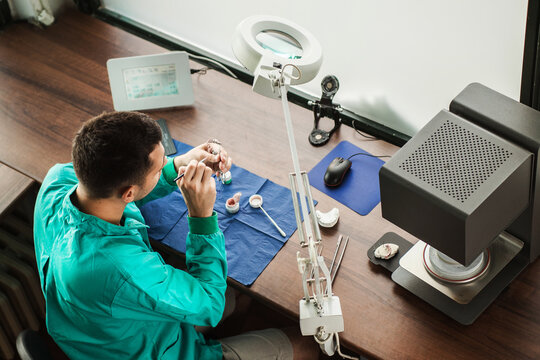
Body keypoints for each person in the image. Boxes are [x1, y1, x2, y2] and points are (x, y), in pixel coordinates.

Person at [33, 111, 318, 359]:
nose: (165, 168)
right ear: (129, 193)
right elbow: (209, 305)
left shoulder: (59, 179)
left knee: (235, 295)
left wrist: (176, 165)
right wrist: (201, 216)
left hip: (98, 329)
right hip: (144, 349)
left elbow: (115, 193)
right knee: (307, 345)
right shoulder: (121, 270)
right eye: (159, 168)